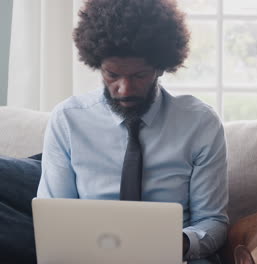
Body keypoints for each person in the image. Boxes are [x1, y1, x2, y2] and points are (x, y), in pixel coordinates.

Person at [36, 0, 228, 263]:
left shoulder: (200, 123)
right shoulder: (68, 119)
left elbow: (213, 221)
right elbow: (55, 216)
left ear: (161, 67)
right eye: (112, 75)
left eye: (139, 75)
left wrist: (178, 243)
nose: (124, 89)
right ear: (97, 65)